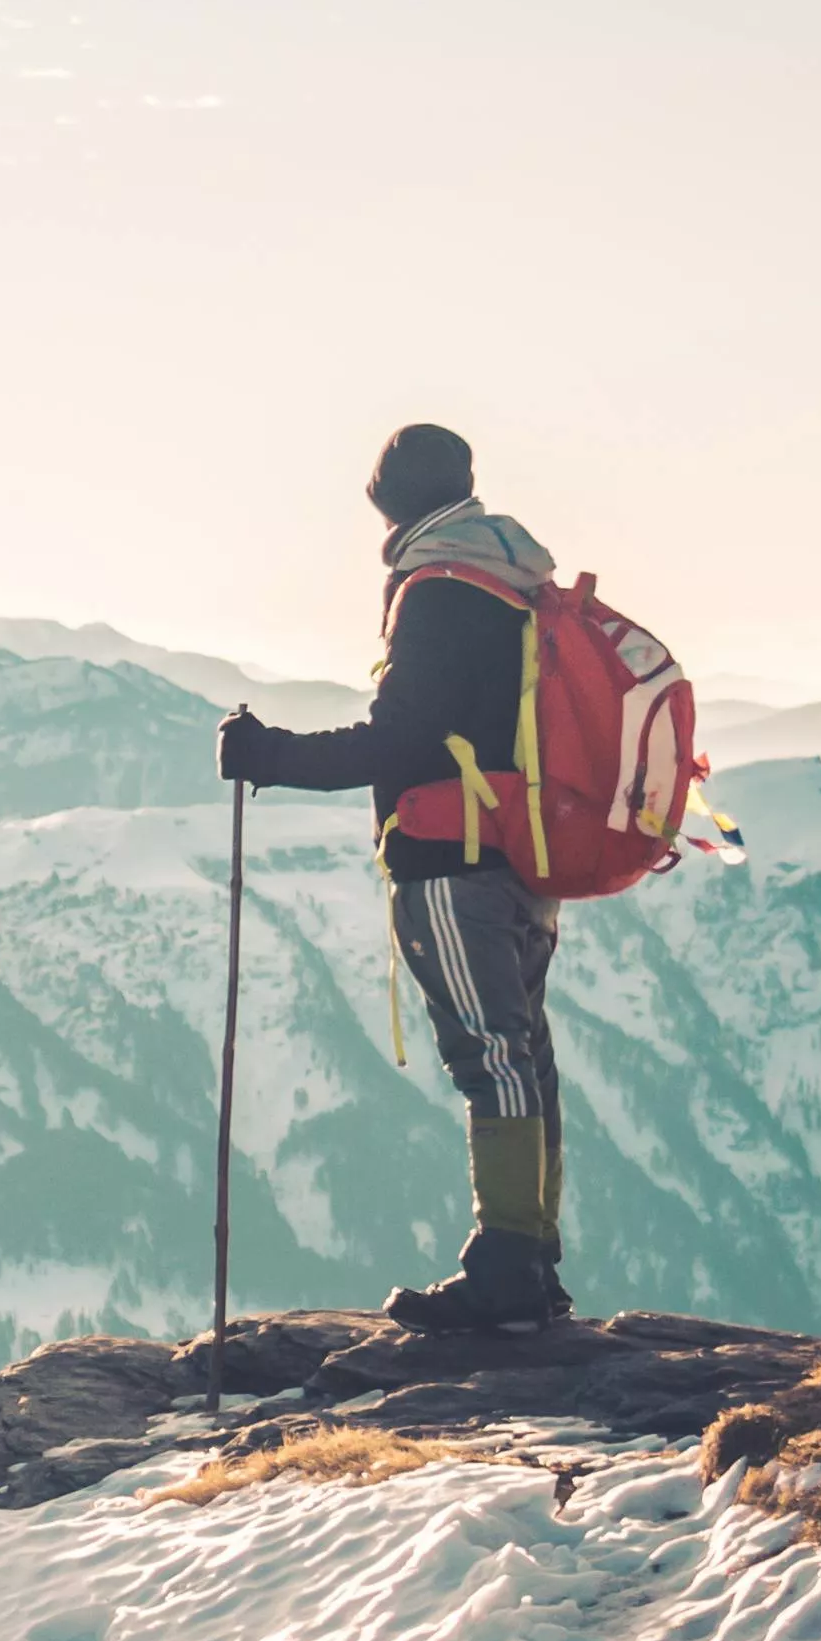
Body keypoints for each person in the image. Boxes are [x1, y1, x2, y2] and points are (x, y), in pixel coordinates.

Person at [214, 423, 578, 1333]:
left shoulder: (436, 590)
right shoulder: (511, 584)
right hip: (523, 855)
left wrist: (272, 756)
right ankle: (532, 1261)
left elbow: (403, 740)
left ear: (385, 497)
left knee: (490, 1054)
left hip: (452, 859)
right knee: (524, 1051)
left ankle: (505, 1269)